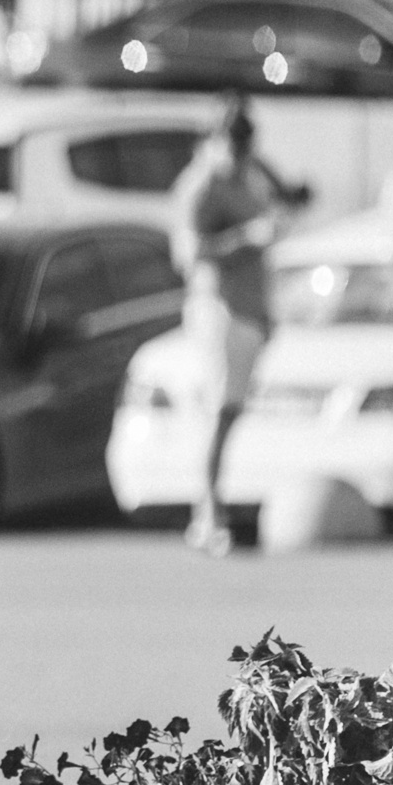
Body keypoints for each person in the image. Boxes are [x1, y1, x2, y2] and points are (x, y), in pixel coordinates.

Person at [169, 92, 291, 555]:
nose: (241, 150)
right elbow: (189, 254)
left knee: (233, 411)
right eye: (234, 140)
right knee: (219, 412)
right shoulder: (202, 185)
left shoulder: (250, 177)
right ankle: (207, 512)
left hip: (249, 308)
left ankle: (213, 503)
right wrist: (246, 240)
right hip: (219, 308)